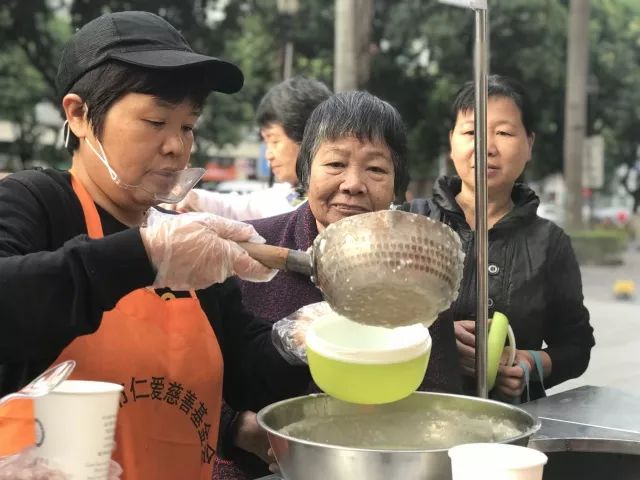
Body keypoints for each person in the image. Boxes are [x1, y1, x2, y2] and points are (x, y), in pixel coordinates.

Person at [0, 11, 310, 479]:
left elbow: (247, 371)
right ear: (79, 115)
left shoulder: (183, 240)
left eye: (187, 126)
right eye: (155, 120)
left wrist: (302, 339)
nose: (177, 147)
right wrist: (143, 257)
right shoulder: (35, 203)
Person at [214, 91, 463, 479]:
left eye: (376, 170)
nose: (353, 184)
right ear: (305, 170)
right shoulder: (251, 249)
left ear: (397, 184)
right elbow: (195, 378)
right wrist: (238, 428)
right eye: (334, 163)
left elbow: (441, 399)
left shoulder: (419, 272)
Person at [405, 75, 595, 403]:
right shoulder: (410, 222)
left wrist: (532, 363)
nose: (487, 147)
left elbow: (577, 346)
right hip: (413, 414)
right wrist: (433, 334)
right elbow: (369, 316)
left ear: (529, 145)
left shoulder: (550, 243)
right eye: (471, 132)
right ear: (452, 143)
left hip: (505, 430)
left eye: (504, 133)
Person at [168, 76, 332, 220]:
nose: (268, 154)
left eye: (274, 141)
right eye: (266, 143)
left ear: (308, 137)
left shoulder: (333, 202)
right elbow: (240, 207)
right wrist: (193, 198)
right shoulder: (295, 194)